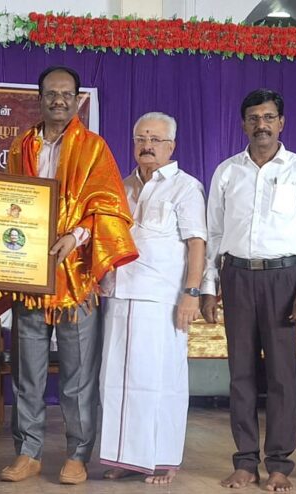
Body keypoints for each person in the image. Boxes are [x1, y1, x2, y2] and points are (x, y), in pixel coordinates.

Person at [0, 66, 138, 485]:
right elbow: (10, 204)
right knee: (27, 373)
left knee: (78, 375)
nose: (58, 100)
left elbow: (108, 205)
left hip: (77, 277)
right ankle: (28, 452)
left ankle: (77, 454)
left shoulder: (94, 148)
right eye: (51, 93)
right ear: (40, 98)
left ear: (77, 100)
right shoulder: (21, 145)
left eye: (66, 94)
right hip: (29, 276)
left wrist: (77, 235)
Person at [200, 88, 296, 492]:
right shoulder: (227, 172)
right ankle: (244, 462)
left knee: (281, 376)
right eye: (254, 118)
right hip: (237, 276)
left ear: (282, 123)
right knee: (240, 374)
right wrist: (209, 285)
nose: (262, 125)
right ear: (243, 124)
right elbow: (214, 233)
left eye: (269, 117)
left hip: (284, 279)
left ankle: (278, 464)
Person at [99, 112, 206, 485]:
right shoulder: (121, 185)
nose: (147, 146)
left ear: (171, 146)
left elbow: (197, 243)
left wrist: (191, 293)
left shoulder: (185, 187)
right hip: (119, 296)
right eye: (141, 139)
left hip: (163, 300)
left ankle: (163, 459)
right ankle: (126, 457)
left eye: (155, 140)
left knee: (161, 380)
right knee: (117, 381)